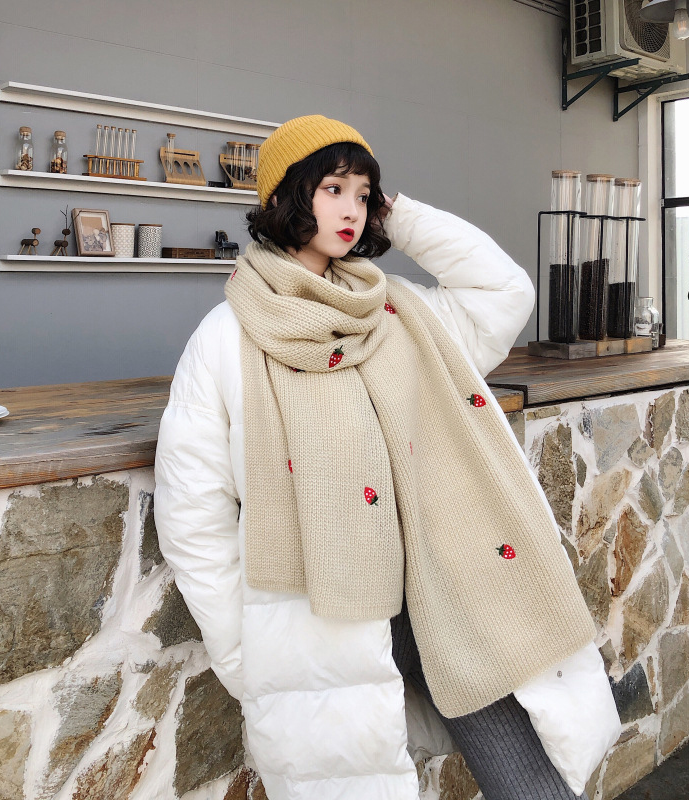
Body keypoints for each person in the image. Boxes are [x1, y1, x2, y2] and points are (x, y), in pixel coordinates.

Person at [154, 115, 620, 800]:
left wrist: (399, 217)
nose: (352, 209)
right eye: (333, 189)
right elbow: (192, 514)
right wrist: (243, 661)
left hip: (445, 589)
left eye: (364, 194)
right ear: (284, 196)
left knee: (530, 782)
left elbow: (503, 293)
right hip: (326, 618)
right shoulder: (226, 339)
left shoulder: (397, 309)